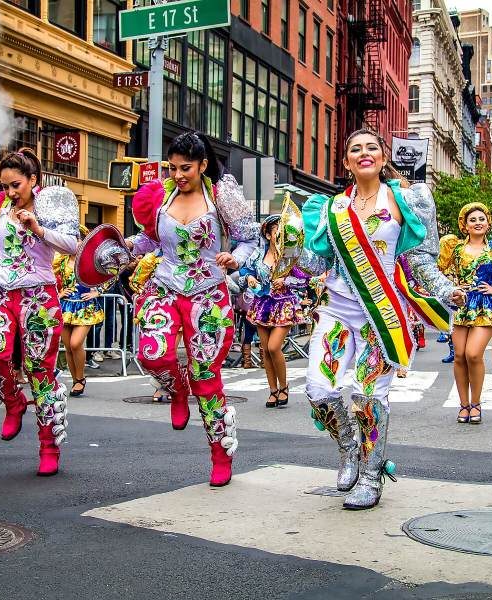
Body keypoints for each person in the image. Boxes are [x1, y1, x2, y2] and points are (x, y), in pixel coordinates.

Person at [76, 131, 258, 487]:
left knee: (207, 380)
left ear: (203, 165)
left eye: (185, 167)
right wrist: (128, 245)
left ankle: (220, 453)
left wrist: (234, 258)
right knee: (152, 353)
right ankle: (176, 390)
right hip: (165, 286)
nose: (177, 174)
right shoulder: (160, 198)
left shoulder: (222, 197)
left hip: (208, 293)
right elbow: (152, 238)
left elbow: (249, 239)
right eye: (173, 167)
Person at [301, 128, 463, 510]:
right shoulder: (330, 209)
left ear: (383, 156)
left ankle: (371, 478)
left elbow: (422, 258)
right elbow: (319, 262)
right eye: (355, 149)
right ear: (346, 162)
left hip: (382, 312)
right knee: (318, 389)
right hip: (337, 308)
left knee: (368, 396)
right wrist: (287, 255)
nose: (363, 153)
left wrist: (444, 290)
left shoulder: (406, 200)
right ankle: (349, 448)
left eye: (371, 147)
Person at [0, 147, 78, 476]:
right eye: (5, 186)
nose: (10, 192)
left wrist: (37, 227)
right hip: (0, 290)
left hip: (38, 295)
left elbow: (73, 245)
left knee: (40, 372)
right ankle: (13, 401)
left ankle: (48, 446)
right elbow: (4, 247)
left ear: (33, 180)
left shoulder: (50, 205)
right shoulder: (5, 207)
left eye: (16, 185)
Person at [439, 204, 492, 425]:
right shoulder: (455, 249)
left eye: (481, 219)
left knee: (473, 354)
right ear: (465, 225)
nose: (477, 222)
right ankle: (464, 405)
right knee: (459, 356)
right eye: (472, 219)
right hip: (460, 305)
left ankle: (476, 403)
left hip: (486, 306)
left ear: (488, 223)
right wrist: (451, 291)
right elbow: (443, 274)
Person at [241, 215, 309, 407]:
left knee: (273, 347)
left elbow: (304, 279)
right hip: (262, 303)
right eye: (277, 231)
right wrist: (250, 279)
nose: (281, 235)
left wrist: (286, 281)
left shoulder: (289, 255)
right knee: (265, 350)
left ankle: (284, 386)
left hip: (284, 305)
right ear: (268, 234)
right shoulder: (258, 253)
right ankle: (273, 390)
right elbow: (246, 270)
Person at [54, 227, 104, 397]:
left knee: (76, 343)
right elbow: (47, 275)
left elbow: (113, 272)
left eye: (78, 239)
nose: (75, 242)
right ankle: (76, 380)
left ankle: (81, 378)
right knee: (68, 347)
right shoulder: (60, 260)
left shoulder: (92, 260)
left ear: (84, 241)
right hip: (65, 306)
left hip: (86, 306)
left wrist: (98, 291)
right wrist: (58, 293)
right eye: (71, 239)